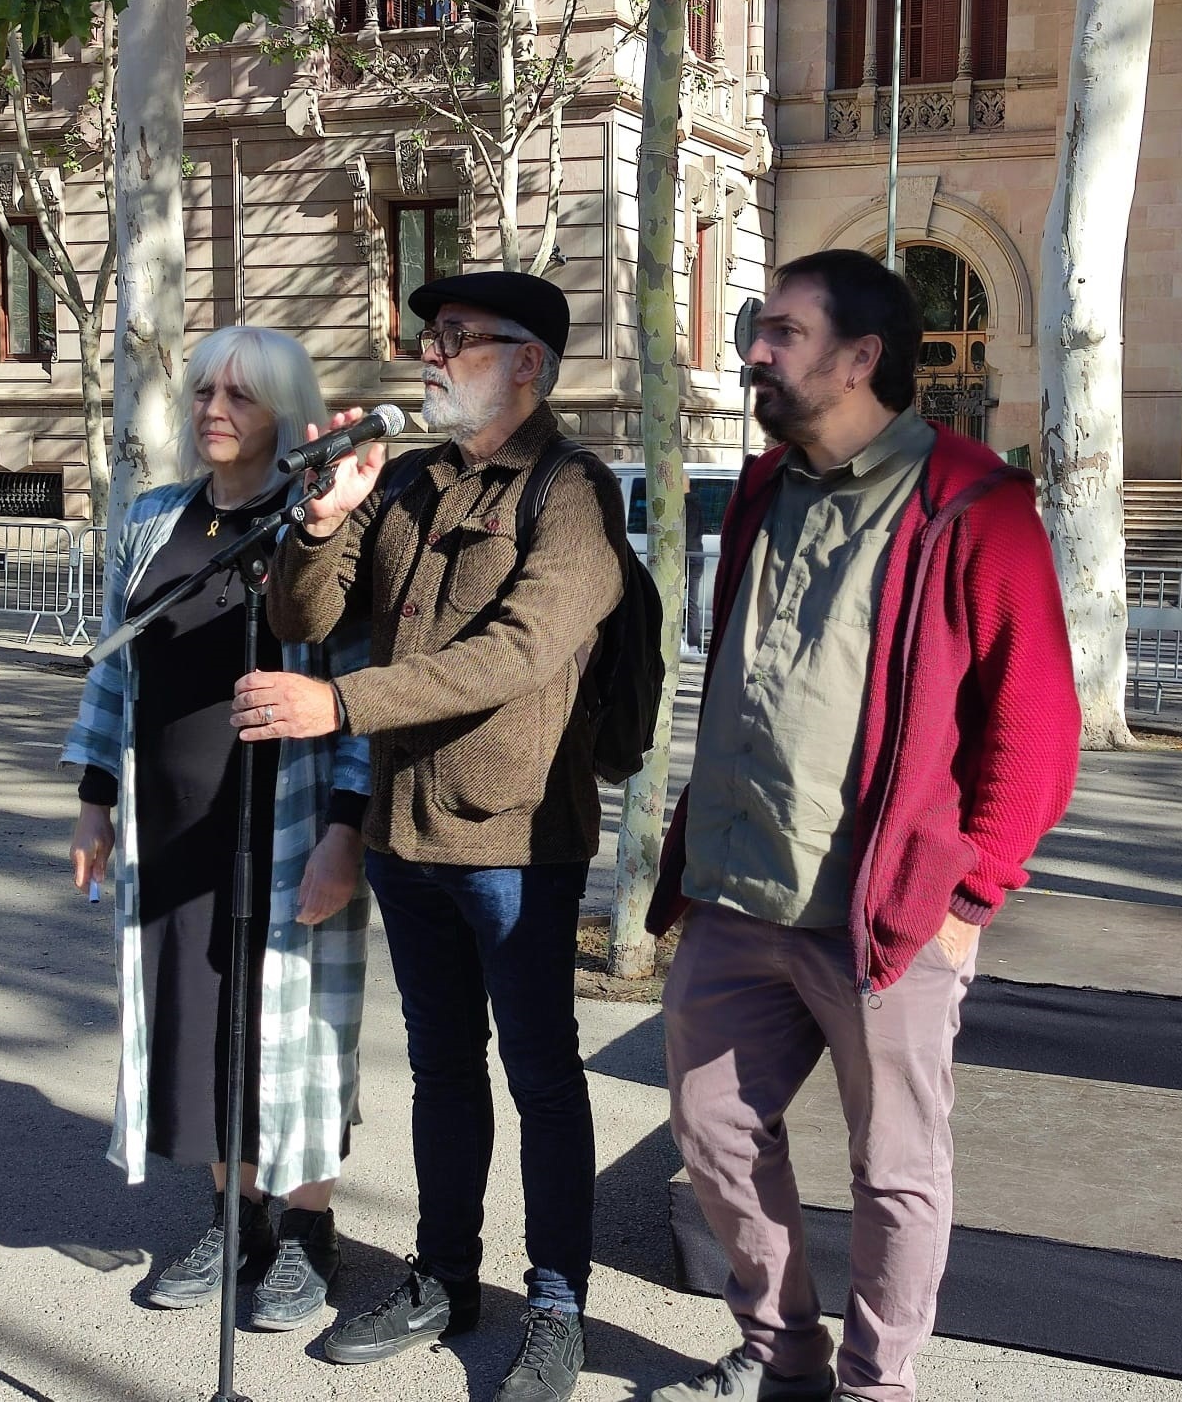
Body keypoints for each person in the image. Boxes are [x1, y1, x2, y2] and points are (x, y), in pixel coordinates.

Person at [643, 249, 1080, 1402]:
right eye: (757, 328)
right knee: (711, 1130)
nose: (753, 351)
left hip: (884, 920)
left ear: (858, 358)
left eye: (781, 333)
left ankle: (875, 1384)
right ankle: (780, 1351)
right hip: (736, 891)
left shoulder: (970, 505)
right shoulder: (760, 489)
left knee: (893, 1169)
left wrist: (972, 892)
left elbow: (1036, 726)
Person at [250, 271, 624, 1402]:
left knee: (541, 1076)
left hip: (514, 840)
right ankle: (445, 1276)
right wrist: (322, 520)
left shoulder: (572, 491)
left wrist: (341, 706)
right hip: (405, 829)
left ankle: (555, 1302)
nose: (430, 353)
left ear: (528, 362)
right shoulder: (408, 479)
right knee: (440, 1069)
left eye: (457, 337)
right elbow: (305, 614)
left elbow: (517, 650)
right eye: (428, 336)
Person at [61, 326, 375, 1333]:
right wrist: (96, 798)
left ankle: (307, 1231)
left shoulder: (321, 523)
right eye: (203, 392)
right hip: (171, 823)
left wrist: (347, 831)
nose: (213, 411)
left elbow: (362, 690)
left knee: (295, 1025)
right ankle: (235, 1220)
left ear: (285, 409)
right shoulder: (155, 517)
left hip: (286, 820)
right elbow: (116, 665)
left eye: (239, 395)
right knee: (196, 1023)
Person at [684, 475, 706, 653]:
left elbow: (687, 535)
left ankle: (690, 643)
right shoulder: (697, 503)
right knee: (691, 601)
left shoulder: (685, 505)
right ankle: (692, 644)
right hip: (695, 555)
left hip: (687, 556)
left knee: (684, 600)